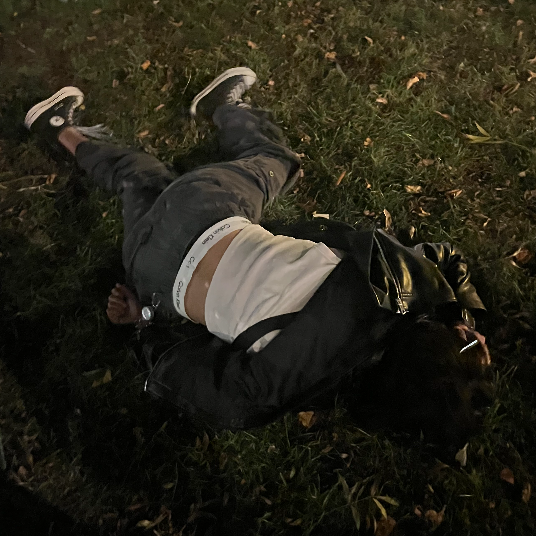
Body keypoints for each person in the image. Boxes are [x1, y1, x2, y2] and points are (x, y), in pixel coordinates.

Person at [24, 67, 493, 447]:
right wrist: (144, 320)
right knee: (143, 184)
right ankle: (59, 131)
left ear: (440, 337)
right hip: (151, 274)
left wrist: (461, 316)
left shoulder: (394, 283)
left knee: (276, 160)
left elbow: (446, 259)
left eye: (471, 345)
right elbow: (187, 377)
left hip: (205, 209)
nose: (478, 339)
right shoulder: (292, 389)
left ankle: (224, 107)